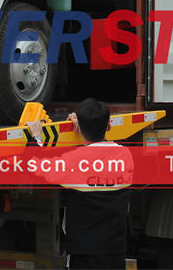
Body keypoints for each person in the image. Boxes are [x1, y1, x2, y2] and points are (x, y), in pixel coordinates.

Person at [27, 98, 133, 270]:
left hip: (84, 253)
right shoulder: (125, 155)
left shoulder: (74, 161)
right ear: (109, 126)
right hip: (115, 251)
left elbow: (35, 167)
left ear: (80, 128)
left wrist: (36, 136)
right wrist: (85, 129)